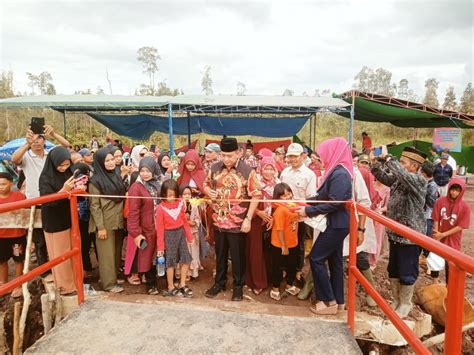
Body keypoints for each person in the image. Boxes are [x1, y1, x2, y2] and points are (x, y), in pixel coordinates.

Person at [297, 137, 353, 315]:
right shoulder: (336, 171)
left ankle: (328, 301)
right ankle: (339, 300)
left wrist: (308, 211)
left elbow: (335, 203)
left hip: (337, 224)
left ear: (333, 153)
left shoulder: (340, 174)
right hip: (336, 223)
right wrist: (305, 202)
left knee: (316, 258)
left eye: (322, 157)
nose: (320, 161)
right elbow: (323, 197)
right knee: (335, 262)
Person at [370, 147, 427, 318]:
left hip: (410, 237)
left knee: (407, 271)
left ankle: (405, 303)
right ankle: (396, 299)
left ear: (414, 166)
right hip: (395, 234)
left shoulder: (418, 181)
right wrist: (377, 162)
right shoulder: (400, 180)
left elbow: (401, 174)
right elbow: (382, 176)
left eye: (403, 163)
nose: (399, 166)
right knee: (393, 269)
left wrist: (389, 158)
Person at [204, 137, 261, 301]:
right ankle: (219, 283)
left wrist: (248, 219)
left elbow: (256, 195)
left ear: (238, 153)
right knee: (220, 254)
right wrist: (208, 191)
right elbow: (206, 183)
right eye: (223, 155)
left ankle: (238, 287)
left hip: (238, 221)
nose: (226, 159)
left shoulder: (247, 170)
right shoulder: (214, 167)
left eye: (229, 156)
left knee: (237, 256)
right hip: (218, 219)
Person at [11, 123, 70, 280]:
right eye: (33, 139)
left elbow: (67, 147)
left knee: (54, 234)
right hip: (35, 201)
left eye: (39, 139)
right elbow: (14, 158)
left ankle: (57, 265)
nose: (36, 142)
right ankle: (45, 270)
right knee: (39, 239)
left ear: (44, 140)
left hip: (54, 196)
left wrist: (54, 134)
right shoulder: (27, 156)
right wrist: (26, 143)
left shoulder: (51, 154)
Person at [39, 146, 81, 296]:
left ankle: (77, 283)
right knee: (60, 255)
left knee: (73, 251)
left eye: (66, 164)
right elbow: (47, 202)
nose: (64, 168)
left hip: (69, 217)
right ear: (53, 162)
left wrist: (79, 188)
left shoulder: (69, 172)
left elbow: (75, 195)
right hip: (54, 221)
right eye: (60, 165)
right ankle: (65, 287)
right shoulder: (45, 178)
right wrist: (63, 191)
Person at [89, 147, 126, 293]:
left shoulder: (115, 176)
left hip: (117, 220)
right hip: (104, 222)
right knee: (106, 254)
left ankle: (113, 278)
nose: (111, 163)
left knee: (116, 252)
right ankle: (108, 284)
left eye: (112, 160)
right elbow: (95, 206)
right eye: (107, 160)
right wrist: (100, 227)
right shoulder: (95, 181)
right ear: (99, 162)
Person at [280, 143, 317, 280]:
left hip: (300, 216)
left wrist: (297, 208)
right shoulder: (284, 172)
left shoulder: (309, 175)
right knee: (284, 241)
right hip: (284, 215)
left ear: (303, 156)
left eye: (295, 156)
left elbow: (311, 198)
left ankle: (297, 270)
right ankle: (284, 268)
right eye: (290, 156)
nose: (293, 159)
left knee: (299, 244)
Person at [125, 157, 161, 294]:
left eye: (148, 170)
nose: (145, 174)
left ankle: (157, 279)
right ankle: (151, 284)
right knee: (147, 255)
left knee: (158, 253)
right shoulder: (136, 187)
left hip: (158, 226)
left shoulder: (157, 184)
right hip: (146, 228)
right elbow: (133, 212)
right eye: (142, 170)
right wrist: (135, 232)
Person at [156, 179, 194, 297]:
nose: (171, 198)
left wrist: (189, 237)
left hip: (181, 234)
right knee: (170, 262)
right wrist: (160, 247)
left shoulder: (181, 204)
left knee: (186, 259)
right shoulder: (160, 208)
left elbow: (185, 222)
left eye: (173, 195)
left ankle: (182, 284)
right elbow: (160, 229)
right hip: (169, 236)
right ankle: (171, 286)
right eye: (168, 195)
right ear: (163, 194)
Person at [245, 157, 277, 295]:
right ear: (260, 168)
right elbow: (247, 200)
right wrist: (258, 212)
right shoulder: (255, 181)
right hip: (256, 220)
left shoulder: (278, 183)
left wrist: (273, 217)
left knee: (269, 252)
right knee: (255, 251)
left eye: (271, 168)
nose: (268, 172)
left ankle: (268, 278)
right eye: (266, 168)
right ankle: (257, 282)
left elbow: (283, 201)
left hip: (272, 220)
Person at [431, 178, 471, 283]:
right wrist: (436, 234)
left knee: (451, 261)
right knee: (435, 258)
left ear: (461, 191)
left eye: (457, 190)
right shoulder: (440, 201)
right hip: (438, 234)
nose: (454, 192)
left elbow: (461, 226)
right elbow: (436, 218)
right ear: (449, 189)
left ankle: (449, 285)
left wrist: (443, 234)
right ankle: (435, 282)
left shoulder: (465, 207)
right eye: (452, 189)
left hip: (453, 237)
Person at [270, 183, 300, 301]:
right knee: (277, 266)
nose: (287, 197)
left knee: (291, 265)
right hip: (279, 244)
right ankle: (275, 288)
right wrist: (284, 246)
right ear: (277, 198)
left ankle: (289, 285)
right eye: (283, 196)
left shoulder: (293, 205)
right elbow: (280, 229)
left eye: (289, 194)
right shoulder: (280, 210)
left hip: (293, 241)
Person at [0, 172, 27, 298]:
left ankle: (18, 284)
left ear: (11, 183)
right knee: (1, 261)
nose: (1, 187)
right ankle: (4, 283)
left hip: (17, 235)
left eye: (4, 184)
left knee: (18, 259)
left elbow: (26, 215)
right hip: (1, 236)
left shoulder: (19, 196)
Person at [70, 162, 95, 274]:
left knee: (88, 243)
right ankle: (86, 267)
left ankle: (87, 267)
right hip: (80, 219)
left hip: (91, 217)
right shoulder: (70, 185)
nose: (81, 180)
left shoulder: (92, 184)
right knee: (84, 244)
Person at [181, 186, 202, 279]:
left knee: (193, 253)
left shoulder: (194, 206)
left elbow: (198, 218)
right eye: (184, 194)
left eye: (189, 194)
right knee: (184, 253)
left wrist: (195, 222)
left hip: (193, 233)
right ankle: (183, 274)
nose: (187, 196)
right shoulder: (179, 206)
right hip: (182, 234)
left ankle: (191, 272)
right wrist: (186, 221)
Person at [369, 178, 390, 267]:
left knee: (377, 240)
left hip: (379, 217)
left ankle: (373, 262)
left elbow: (387, 206)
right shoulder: (371, 184)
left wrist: (378, 210)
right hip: (368, 215)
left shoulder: (387, 189)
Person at [420, 162, 439, 258]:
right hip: (423, 214)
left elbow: (432, 203)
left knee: (428, 235)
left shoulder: (432, 185)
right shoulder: (427, 183)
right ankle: (425, 254)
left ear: (424, 173)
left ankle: (427, 255)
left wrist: (424, 193)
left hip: (428, 215)